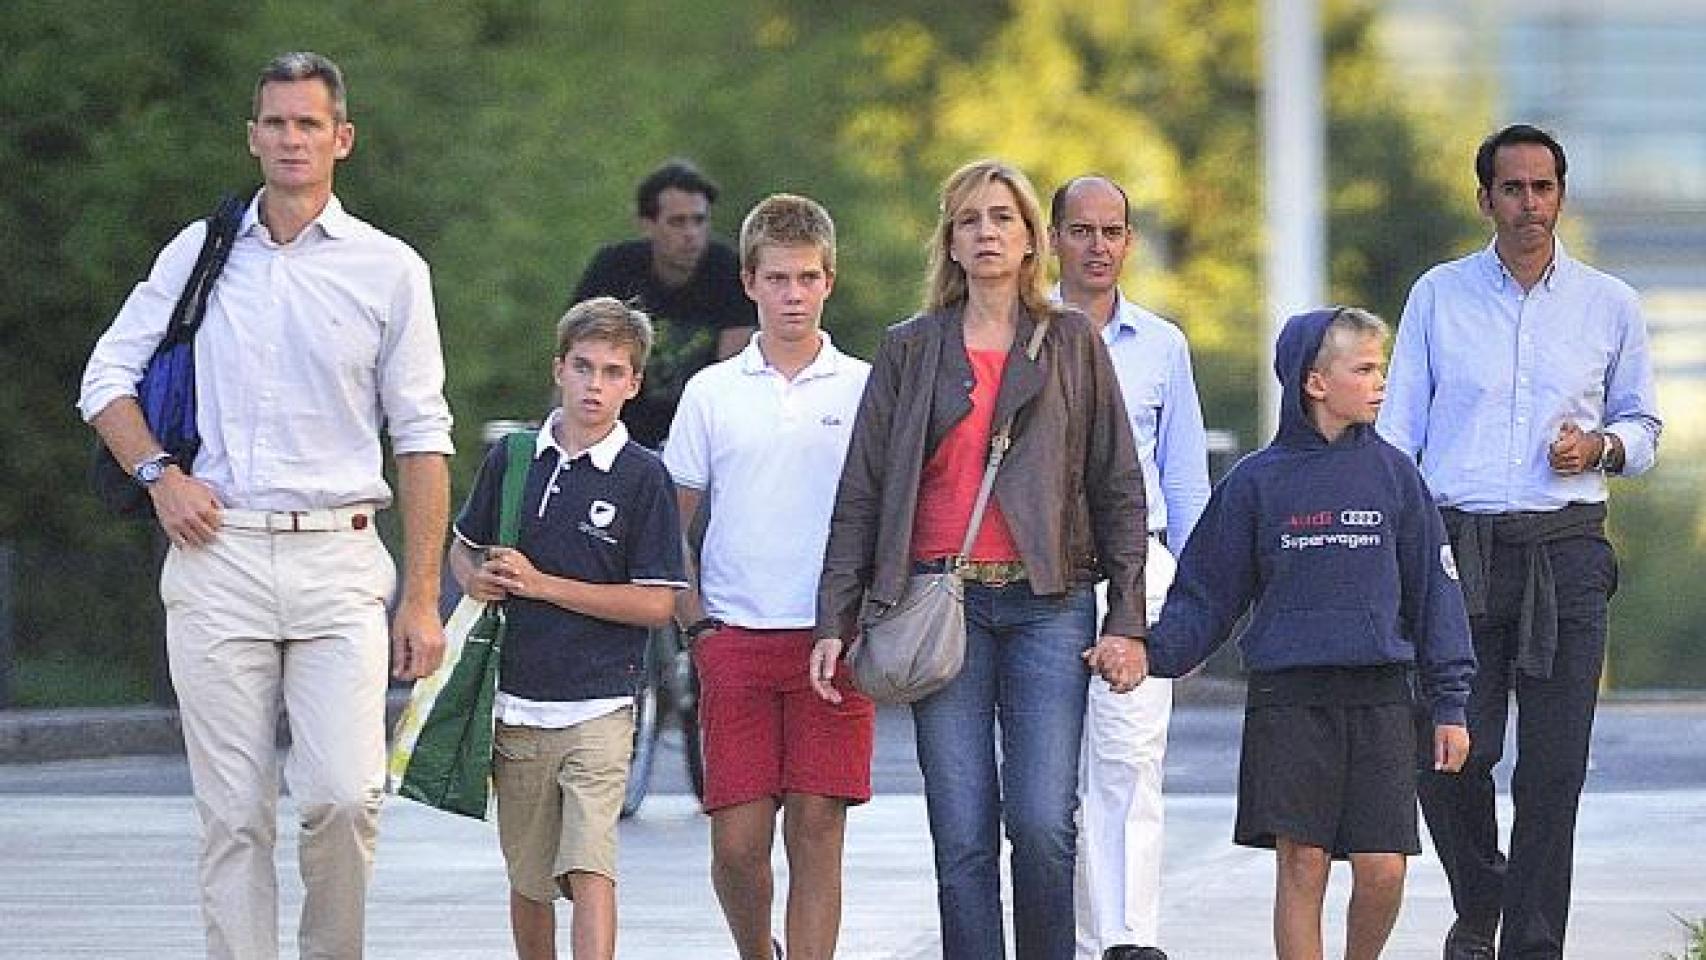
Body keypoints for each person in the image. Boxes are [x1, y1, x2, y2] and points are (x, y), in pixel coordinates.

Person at [77, 51, 453, 959]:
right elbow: (105, 378)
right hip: (219, 558)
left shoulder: (389, 269)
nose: (292, 138)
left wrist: (422, 596)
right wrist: (158, 476)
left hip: (340, 558)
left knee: (341, 797)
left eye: (309, 124)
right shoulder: (201, 252)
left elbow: (422, 435)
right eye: (276, 122)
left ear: (341, 139)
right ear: (253, 137)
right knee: (233, 818)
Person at [815, 158, 1149, 960]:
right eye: (970, 219)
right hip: (939, 605)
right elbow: (860, 489)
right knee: (961, 829)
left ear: (1033, 239)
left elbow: (1118, 486)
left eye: (1003, 216)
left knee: (1042, 822)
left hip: (1048, 605)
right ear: (951, 242)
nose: (987, 231)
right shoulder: (909, 348)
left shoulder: (1071, 340)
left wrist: (1129, 621)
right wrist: (837, 617)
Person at [1377, 124, 1663, 960]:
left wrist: (1602, 446)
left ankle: (1532, 946)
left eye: (1543, 188)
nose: (1529, 204)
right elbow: (1398, 435)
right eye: (1513, 188)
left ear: (1561, 197)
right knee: (1451, 748)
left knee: (1553, 770)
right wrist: (1399, 549)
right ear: (1486, 200)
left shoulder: (1611, 303)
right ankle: (1483, 895)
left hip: (1567, 550)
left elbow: (1644, 424)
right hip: (1457, 549)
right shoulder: (1438, 295)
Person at [1140, 307, 1476, 960]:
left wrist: (1450, 704)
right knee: (1304, 862)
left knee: (1383, 868)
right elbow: (1208, 592)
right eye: (1365, 368)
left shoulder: (1396, 476)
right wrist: (1150, 653)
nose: (1380, 381)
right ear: (1316, 382)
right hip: (1288, 698)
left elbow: (1437, 592)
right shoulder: (1255, 482)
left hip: (1379, 696)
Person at [664, 194, 875, 960]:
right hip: (736, 638)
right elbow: (671, 525)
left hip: (831, 641)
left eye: (808, 278)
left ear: (829, 282)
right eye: (778, 278)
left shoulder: (864, 386)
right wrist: (698, 627)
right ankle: (759, 952)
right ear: (750, 281)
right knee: (738, 844)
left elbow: (887, 515)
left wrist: (859, 621)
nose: (793, 294)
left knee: (818, 828)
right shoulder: (712, 391)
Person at [450, 297, 687, 960]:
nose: (595, 384)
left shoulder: (644, 477)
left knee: (590, 868)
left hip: (601, 705)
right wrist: (474, 577)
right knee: (529, 881)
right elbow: (464, 545)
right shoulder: (515, 458)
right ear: (559, 368)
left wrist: (544, 585)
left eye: (613, 372)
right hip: (517, 702)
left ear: (633, 384)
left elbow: (657, 604)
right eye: (584, 367)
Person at [1049, 175, 1211, 960]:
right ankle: (1061, 937)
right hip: (1036, 569)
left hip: (1135, 567)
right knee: (1045, 776)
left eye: (1113, 231)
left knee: (1129, 759)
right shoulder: (1023, 332)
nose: (1099, 246)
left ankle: (1123, 940)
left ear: (1130, 241)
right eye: (1082, 230)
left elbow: (1184, 480)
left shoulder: (1162, 345)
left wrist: (1193, 600)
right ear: (1054, 240)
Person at [571, 158, 757, 447]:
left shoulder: (728, 272)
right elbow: (578, 360)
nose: (691, 234)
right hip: (618, 437)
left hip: (700, 438)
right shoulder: (614, 269)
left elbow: (732, 378)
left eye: (699, 220)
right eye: (677, 222)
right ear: (647, 225)